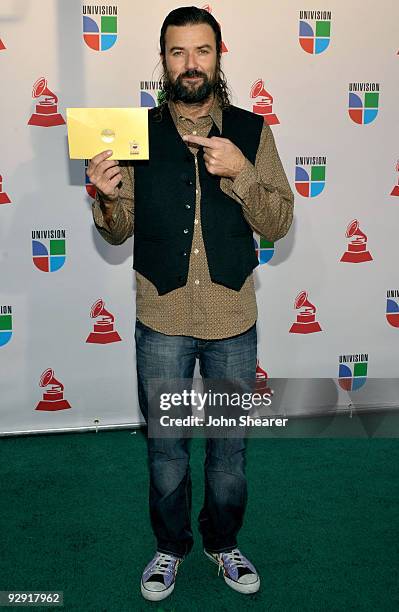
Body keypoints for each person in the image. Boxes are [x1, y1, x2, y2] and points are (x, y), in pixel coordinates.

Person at [89, 6, 294, 603]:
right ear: (164, 60)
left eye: (201, 51)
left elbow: (278, 221)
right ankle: (170, 547)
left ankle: (223, 543)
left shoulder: (254, 133)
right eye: (178, 52)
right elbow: (118, 230)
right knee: (166, 452)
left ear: (218, 54)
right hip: (162, 321)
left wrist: (242, 173)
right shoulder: (135, 134)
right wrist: (105, 197)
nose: (190, 64)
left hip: (233, 319)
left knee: (229, 454)